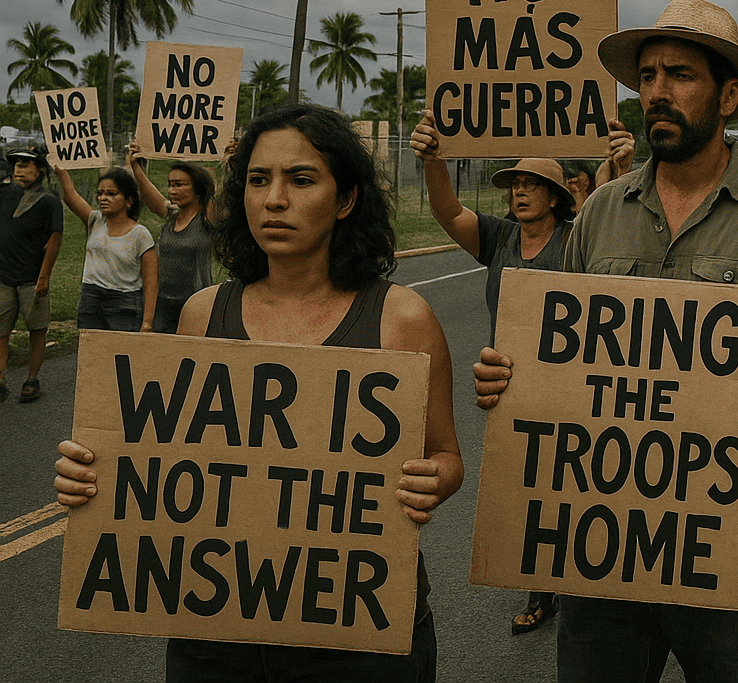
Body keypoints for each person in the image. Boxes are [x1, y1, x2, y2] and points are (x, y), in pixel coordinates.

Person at [472, 0, 738, 683]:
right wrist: (510, 378)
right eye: (647, 76)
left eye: (679, 75)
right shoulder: (598, 214)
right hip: (601, 542)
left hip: (736, 539)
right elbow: (556, 353)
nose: (656, 92)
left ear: (729, 95)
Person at [55, 101, 463, 681]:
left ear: (346, 199)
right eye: (257, 180)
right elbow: (166, 460)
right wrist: (93, 474)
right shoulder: (201, 315)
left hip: (356, 633)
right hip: (217, 633)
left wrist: (432, 481)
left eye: (301, 180)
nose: (274, 199)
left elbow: (447, 456)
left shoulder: (401, 319)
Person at [409, 122, 578, 636]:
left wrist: (619, 162)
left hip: (569, 389)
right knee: (528, 491)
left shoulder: (577, 241)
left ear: (555, 196)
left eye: (531, 184)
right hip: (506, 389)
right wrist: (434, 160)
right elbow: (448, 212)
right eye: (514, 185)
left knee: (567, 487)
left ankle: (575, 582)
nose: (519, 191)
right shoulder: (500, 237)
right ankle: (543, 590)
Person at [53, 161, 157, 333]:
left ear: (129, 200)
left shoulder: (140, 234)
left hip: (124, 302)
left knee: (120, 353)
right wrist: (62, 174)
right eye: (100, 193)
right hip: (91, 297)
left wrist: (147, 321)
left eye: (111, 194)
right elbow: (71, 197)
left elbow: (151, 282)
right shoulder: (95, 221)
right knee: (90, 353)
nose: (103, 198)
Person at [127, 140, 218, 333]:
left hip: (195, 304)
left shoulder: (206, 219)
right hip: (163, 305)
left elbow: (225, 196)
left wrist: (232, 164)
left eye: (179, 185)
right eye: (170, 185)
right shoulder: (172, 215)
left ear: (197, 189)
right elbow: (151, 197)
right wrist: (136, 167)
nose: (172, 191)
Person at [0, 148, 63, 403]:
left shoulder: (49, 201)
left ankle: (31, 379)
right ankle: (1, 379)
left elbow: (55, 239)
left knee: (37, 329)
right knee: (1, 330)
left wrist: (44, 276)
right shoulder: (3, 194)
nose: (18, 169)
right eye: (16, 164)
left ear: (40, 170)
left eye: (25, 165)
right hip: (4, 277)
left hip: (32, 278)